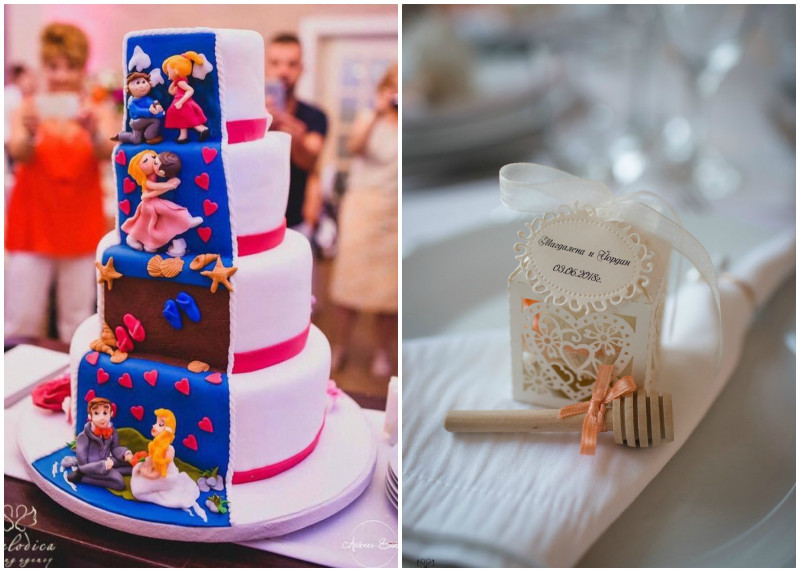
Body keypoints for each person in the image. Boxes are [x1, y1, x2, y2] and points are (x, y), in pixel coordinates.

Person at [5, 23, 116, 343]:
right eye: (54, 66)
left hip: (80, 223)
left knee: (77, 321)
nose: (62, 75)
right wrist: (29, 132)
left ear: (83, 68)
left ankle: (73, 373)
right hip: (32, 223)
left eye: (71, 66)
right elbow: (18, 152)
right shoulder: (27, 110)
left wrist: (93, 131)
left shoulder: (97, 111)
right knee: (21, 319)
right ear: (44, 66)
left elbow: (109, 153)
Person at [329, 63, 398, 378]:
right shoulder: (368, 118)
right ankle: (339, 346)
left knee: (388, 292)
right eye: (393, 86)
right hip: (363, 208)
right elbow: (354, 147)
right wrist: (377, 113)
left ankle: (382, 351)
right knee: (350, 285)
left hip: (394, 212)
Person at [266, 32, 328, 238]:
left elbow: (309, 161)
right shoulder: (249, 114)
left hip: (296, 221)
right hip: (253, 218)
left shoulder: (315, 116)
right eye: (275, 63)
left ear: (302, 69)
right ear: (265, 67)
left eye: (292, 64)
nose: (283, 71)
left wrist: (294, 135)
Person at [130, 408, 207, 521]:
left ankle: (158, 493)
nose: (154, 425)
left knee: (137, 491)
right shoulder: (155, 445)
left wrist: (147, 474)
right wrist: (143, 466)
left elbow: (159, 472)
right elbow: (151, 460)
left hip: (166, 477)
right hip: (155, 473)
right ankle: (154, 489)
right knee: (136, 482)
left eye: (160, 424)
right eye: (156, 422)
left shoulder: (169, 450)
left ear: (168, 430)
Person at [63, 397, 133, 490]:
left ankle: (111, 471)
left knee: (131, 466)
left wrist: (125, 453)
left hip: (107, 460)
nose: (102, 418)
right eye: (96, 413)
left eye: (105, 413)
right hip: (92, 467)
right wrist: (103, 465)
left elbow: (115, 448)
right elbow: (83, 465)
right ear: (90, 416)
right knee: (119, 482)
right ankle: (82, 477)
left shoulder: (111, 431)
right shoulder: (84, 436)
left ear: (111, 414)